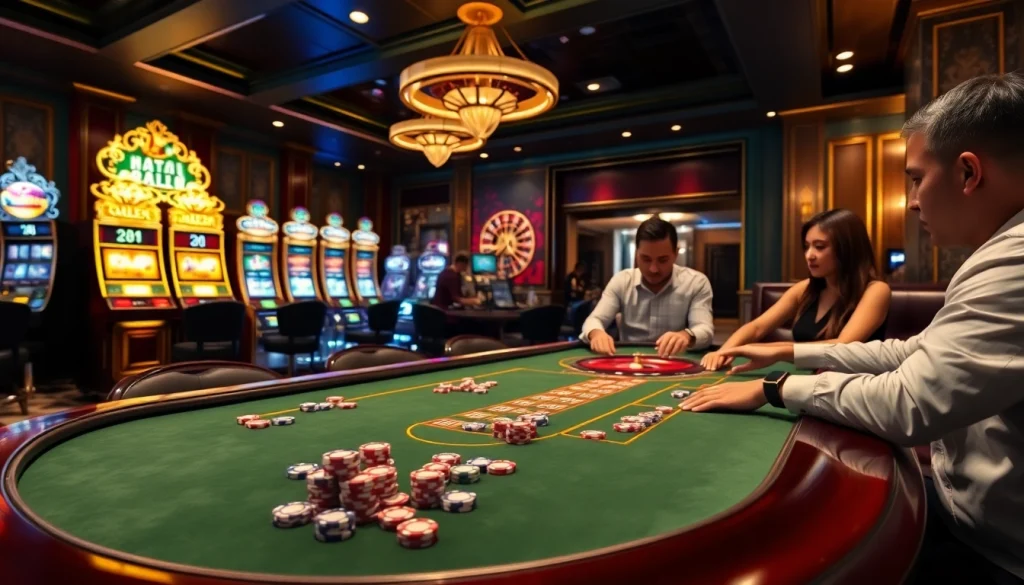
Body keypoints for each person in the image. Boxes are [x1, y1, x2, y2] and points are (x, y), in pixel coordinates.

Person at [681, 72, 1024, 585]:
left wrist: (775, 389)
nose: (911, 200)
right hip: (969, 516)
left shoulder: (1014, 261)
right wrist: (784, 354)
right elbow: (911, 351)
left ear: (969, 172)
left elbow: (909, 404)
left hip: (998, 552)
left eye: (916, 178)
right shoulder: (1000, 253)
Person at [701, 208, 891, 371]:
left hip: (851, 385)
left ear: (847, 249)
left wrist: (776, 350)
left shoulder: (876, 291)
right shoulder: (805, 289)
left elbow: (842, 346)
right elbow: (757, 327)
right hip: (806, 378)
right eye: (807, 247)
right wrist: (723, 352)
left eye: (819, 247)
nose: (809, 255)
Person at [581, 216, 714, 357]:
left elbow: (704, 329)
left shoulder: (696, 282)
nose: (653, 269)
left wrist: (686, 336)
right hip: (629, 361)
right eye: (646, 259)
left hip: (674, 361)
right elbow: (594, 319)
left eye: (662, 260)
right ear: (636, 253)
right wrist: (596, 334)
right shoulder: (621, 281)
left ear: (675, 253)